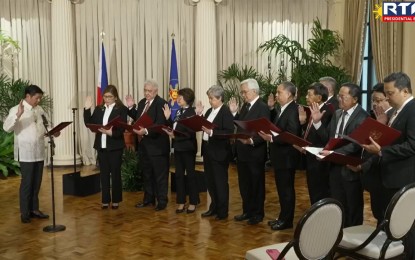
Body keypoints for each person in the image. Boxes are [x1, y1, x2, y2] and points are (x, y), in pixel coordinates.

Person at [358, 72, 415, 258]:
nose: (387, 98)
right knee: (391, 225)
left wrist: (382, 151)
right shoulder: (396, 112)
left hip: (402, 180)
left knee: (405, 228)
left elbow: (412, 146)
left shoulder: (412, 109)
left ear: (405, 91)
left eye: (390, 93)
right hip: (389, 179)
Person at [311, 83, 368, 227]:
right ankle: (341, 237)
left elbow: (356, 144)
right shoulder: (337, 114)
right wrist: (317, 122)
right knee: (338, 206)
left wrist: (333, 153)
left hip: (350, 169)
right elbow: (328, 138)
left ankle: (354, 241)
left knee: (353, 208)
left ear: (354, 99)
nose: (339, 99)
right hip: (334, 168)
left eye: (343, 97)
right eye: (338, 96)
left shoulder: (363, 116)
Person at [3, 85, 54, 223]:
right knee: (27, 183)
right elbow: (7, 128)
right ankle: (25, 212)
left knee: (37, 182)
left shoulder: (39, 109)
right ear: (28, 96)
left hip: (39, 151)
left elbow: (46, 125)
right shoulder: (16, 109)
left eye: (40, 98)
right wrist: (18, 114)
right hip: (26, 152)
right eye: (37, 98)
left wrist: (53, 131)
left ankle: (34, 209)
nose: (38, 100)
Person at [259, 81, 301, 231]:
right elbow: (278, 126)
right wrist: (271, 109)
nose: (276, 95)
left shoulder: (293, 109)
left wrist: (272, 139)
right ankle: (282, 217)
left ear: (289, 94)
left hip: (287, 157)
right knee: (282, 190)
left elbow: (291, 134)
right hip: (280, 157)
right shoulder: (282, 108)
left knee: (286, 190)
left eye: (279, 92)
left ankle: (286, 221)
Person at [229, 78, 270, 225]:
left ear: (254, 91)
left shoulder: (262, 107)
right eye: (242, 92)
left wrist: (252, 141)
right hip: (242, 152)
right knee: (244, 184)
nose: (243, 95)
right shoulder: (246, 106)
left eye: (245, 92)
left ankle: (257, 213)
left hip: (255, 152)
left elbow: (265, 131)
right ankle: (247, 211)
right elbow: (240, 124)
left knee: (256, 184)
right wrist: (234, 113)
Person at [125, 80, 170, 211]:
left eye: (149, 91)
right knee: (147, 174)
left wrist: (145, 131)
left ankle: (162, 201)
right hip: (144, 146)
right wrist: (130, 108)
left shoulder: (162, 103)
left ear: (156, 91)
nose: (146, 93)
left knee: (160, 176)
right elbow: (138, 119)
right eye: (145, 90)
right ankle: (148, 199)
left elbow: (160, 124)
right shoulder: (141, 102)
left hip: (158, 147)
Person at [84, 85, 128, 209]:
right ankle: (105, 200)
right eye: (105, 97)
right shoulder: (99, 108)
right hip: (101, 146)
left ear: (115, 97)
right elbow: (89, 123)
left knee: (115, 174)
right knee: (103, 174)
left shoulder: (121, 109)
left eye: (110, 97)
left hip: (115, 146)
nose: (107, 99)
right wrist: (87, 109)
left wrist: (111, 133)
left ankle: (116, 200)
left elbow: (122, 128)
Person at [198, 85, 234, 220]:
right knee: (210, 182)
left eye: (211, 98)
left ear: (219, 98)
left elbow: (229, 132)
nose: (209, 101)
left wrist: (212, 132)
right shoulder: (209, 111)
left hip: (219, 153)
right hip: (208, 151)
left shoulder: (225, 112)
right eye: (209, 98)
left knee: (220, 183)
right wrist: (199, 116)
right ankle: (213, 207)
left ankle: (222, 211)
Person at [162, 88, 198, 214]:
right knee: (178, 175)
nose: (178, 99)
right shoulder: (178, 112)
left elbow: (190, 133)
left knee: (191, 175)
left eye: (180, 97)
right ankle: (181, 202)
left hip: (188, 148)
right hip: (177, 147)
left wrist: (175, 136)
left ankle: (193, 202)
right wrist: (167, 119)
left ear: (187, 99)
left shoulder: (192, 113)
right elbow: (174, 127)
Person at [296, 82, 332, 205]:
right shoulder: (312, 110)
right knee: (313, 190)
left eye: (309, 94)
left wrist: (317, 122)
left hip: (320, 160)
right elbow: (310, 133)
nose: (306, 97)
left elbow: (326, 138)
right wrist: (303, 122)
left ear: (319, 97)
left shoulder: (328, 112)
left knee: (320, 192)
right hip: (310, 158)